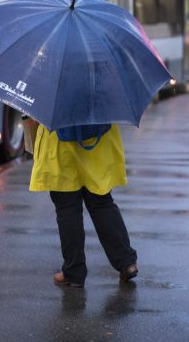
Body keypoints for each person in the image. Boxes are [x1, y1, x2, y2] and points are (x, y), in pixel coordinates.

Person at [25, 118, 138, 288]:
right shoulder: (101, 89)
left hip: (59, 145)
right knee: (102, 203)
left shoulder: (54, 91)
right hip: (99, 141)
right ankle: (126, 262)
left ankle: (74, 273)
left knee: (67, 208)